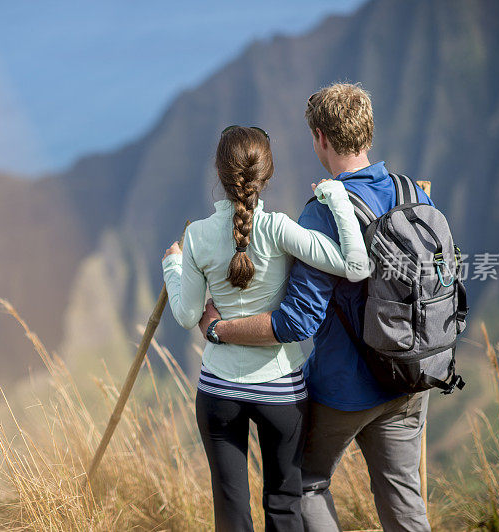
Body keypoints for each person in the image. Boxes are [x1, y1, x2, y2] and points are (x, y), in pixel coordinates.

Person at [198, 83, 435, 532]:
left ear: (321, 139)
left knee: (303, 483)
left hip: (347, 387)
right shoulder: (414, 195)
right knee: (402, 496)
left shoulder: (322, 211)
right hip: (410, 377)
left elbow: (296, 321)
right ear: (368, 132)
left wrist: (219, 329)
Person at [161, 124, 370, 531]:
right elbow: (355, 266)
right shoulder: (278, 228)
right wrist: (337, 198)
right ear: (266, 176)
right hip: (281, 392)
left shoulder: (198, 235)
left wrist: (172, 263)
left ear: (220, 174)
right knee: (284, 506)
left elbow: (188, 316)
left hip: (219, 390)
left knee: (230, 510)